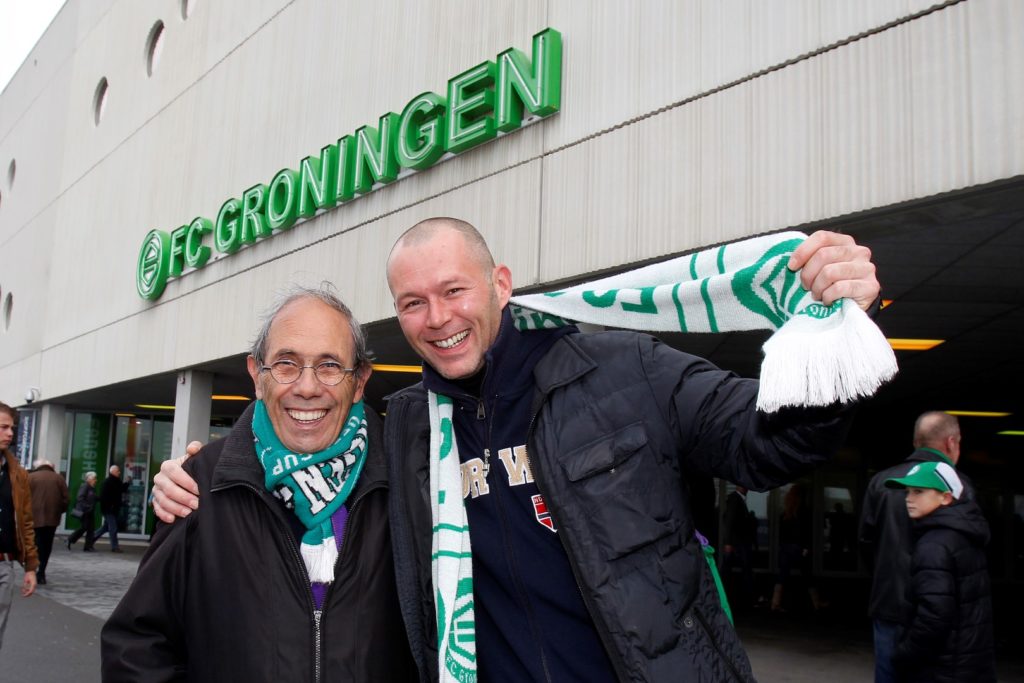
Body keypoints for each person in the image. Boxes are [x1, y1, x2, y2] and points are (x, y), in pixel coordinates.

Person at [155, 219, 881, 681]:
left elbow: (765, 445)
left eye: (454, 290)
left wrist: (834, 322)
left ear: (500, 284)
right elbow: (306, 446)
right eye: (413, 303)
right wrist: (192, 474)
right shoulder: (403, 429)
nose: (438, 318)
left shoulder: (624, 369)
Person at [101, 286, 415, 681]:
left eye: (329, 365)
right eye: (286, 364)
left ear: (359, 381)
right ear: (256, 375)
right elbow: (136, 645)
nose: (307, 387)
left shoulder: (405, 479)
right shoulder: (200, 485)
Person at [859, 410, 974, 683]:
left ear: (915, 443)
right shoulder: (958, 486)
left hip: (889, 603)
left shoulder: (881, 482)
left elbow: (865, 542)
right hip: (942, 610)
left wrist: (884, 577)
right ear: (951, 443)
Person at [883, 461, 995, 682]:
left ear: (945, 497)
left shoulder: (934, 545)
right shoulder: (964, 534)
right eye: (907, 491)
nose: (908, 498)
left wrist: (904, 654)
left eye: (918, 491)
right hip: (968, 663)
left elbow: (934, 616)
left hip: (941, 668)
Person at [0, 402, 39, 650]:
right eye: (3, 427)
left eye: (12, 428)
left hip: (3, 565)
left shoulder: (17, 473)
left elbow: (25, 521)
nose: (10, 433)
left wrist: (30, 567)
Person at [771, 482, 825, 612]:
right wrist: (806, 547)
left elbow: (782, 534)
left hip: (785, 548)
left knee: (782, 575)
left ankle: (775, 603)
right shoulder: (803, 512)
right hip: (798, 547)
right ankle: (816, 603)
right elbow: (805, 532)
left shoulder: (785, 513)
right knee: (807, 575)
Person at [28, 458, 68, 584]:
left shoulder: (30, 477)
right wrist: (58, 511)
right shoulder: (59, 478)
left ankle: (32, 569)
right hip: (52, 518)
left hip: (33, 517)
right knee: (47, 545)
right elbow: (66, 499)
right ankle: (41, 572)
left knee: (34, 543)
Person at [721, 485, 756, 611]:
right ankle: (744, 600)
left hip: (737, 542)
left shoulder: (736, 499)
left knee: (731, 569)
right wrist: (728, 542)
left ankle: (728, 597)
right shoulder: (735, 499)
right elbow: (729, 521)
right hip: (738, 542)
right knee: (742, 569)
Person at [92, 464, 129, 552]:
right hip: (109, 509)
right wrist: (109, 506)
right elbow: (104, 496)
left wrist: (127, 483)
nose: (119, 472)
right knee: (113, 528)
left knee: (105, 527)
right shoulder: (107, 482)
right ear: (113, 472)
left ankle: (90, 540)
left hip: (113, 509)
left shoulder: (116, 481)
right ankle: (115, 547)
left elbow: (121, 489)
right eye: (117, 471)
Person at [65, 471, 97, 551]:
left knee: (91, 529)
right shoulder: (85, 486)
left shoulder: (92, 488)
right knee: (84, 527)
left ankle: (88, 546)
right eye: (94, 478)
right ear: (89, 479)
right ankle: (70, 539)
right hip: (84, 511)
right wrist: (88, 506)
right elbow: (80, 498)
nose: (95, 480)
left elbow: (93, 497)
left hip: (90, 511)